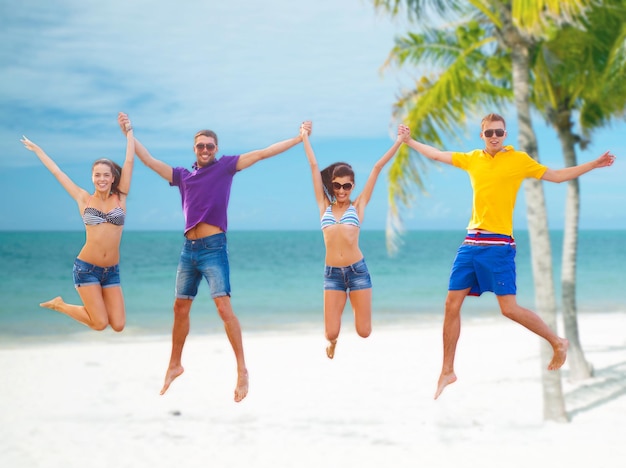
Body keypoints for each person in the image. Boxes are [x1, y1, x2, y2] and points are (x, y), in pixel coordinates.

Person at [403, 112, 615, 399]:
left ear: (505, 134)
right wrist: (410, 141)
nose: (494, 137)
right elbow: (438, 155)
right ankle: (447, 370)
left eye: (499, 132)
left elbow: (555, 176)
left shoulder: (519, 160)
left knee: (509, 309)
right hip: (470, 243)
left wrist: (594, 164)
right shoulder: (472, 158)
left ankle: (558, 342)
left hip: (499, 246)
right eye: (489, 132)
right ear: (482, 135)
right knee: (451, 304)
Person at [118, 112, 312, 402]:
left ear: (216, 149)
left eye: (210, 145)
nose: (205, 150)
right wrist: (129, 133)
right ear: (194, 149)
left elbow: (262, 154)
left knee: (223, 307)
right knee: (179, 308)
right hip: (188, 250)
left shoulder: (225, 167)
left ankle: (242, 370)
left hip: (214, 248)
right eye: (200, 146)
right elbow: (149, 160)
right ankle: (175, 364)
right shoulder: (183, 176)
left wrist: (299, 138)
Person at [301, 123, 411, 359]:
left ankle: (358, 303)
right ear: (332, 185)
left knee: (364, 332)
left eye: (347, 185)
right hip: (332, 274)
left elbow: (377, 167)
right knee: (330, 333)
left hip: (357, 271)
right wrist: (304, 137)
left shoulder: (358, 206)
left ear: (353, 186)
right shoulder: (323, 206)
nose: (342, 190)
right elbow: (313, 166)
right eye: (337, 185)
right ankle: (334, 342)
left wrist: (400, 141)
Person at [20, 113, 135, 331]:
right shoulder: (83, 198)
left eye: (106, 175)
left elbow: (129, 161)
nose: (101, 179)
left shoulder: (121, 197)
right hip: (86, 269)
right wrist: (38, 150)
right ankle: (60, 305)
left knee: (118, 325)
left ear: (112, 178)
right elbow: (57, 172)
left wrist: (129, 132)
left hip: (111, 270)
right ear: (92, 177)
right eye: (97, 175)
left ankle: (73, 306)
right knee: (100, 323)